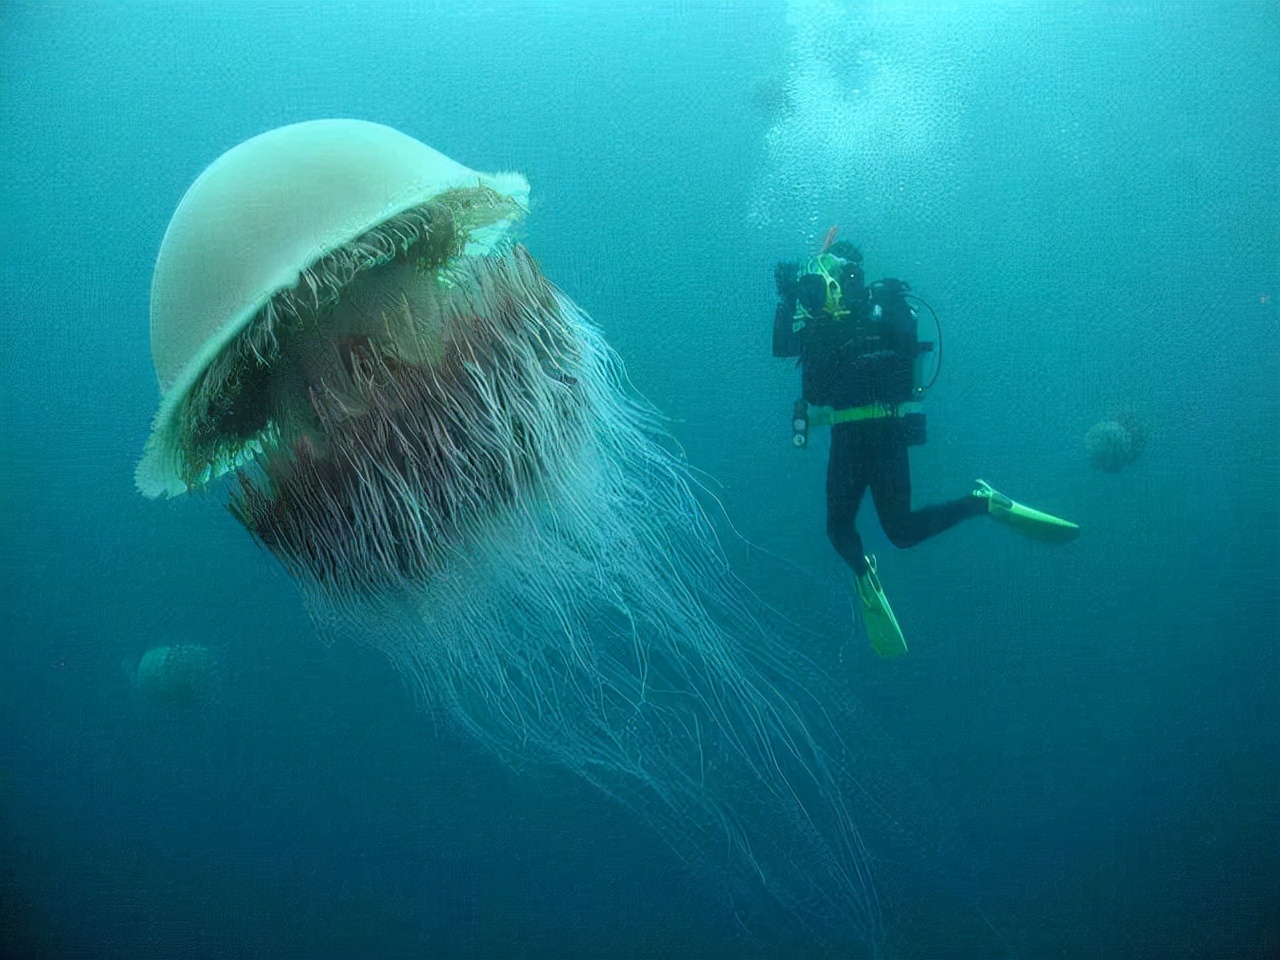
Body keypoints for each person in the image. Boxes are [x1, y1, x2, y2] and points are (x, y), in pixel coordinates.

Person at [773, 233, 1079, 657]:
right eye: (818, 284)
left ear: (849, 277)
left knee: (894, 532)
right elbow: (782, 347)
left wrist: (847, 300)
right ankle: (866, 571)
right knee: (849, 530)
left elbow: (902, 350)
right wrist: (787, 298)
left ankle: (982, 504)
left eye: (831, 280)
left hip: (879, 436)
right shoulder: (821, 325)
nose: (823, 292)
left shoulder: (878, 308)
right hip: (853, 436)